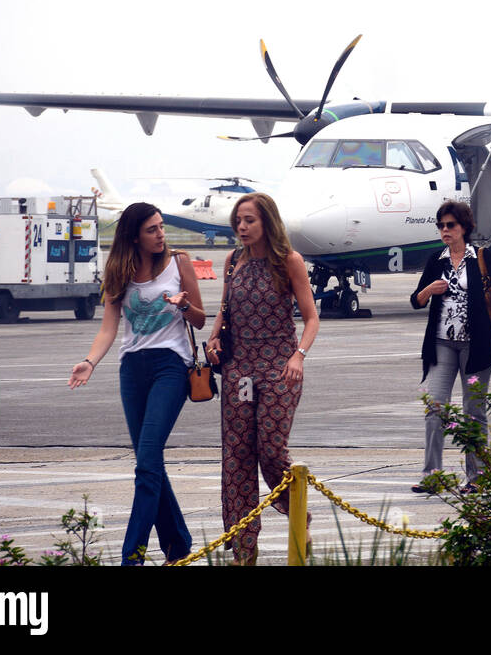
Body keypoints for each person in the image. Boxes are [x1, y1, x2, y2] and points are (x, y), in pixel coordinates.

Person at [69, 203, 205, 565]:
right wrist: (89, 362)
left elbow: (202, 319)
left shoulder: (180, 263)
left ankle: (133, 556)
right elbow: (109, 327)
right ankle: (177, 544)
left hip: (171, 366)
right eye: (152, 229)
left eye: (161, 227)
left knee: (145, 464)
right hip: (132, 369)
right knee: (150, 461)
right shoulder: (118, 271)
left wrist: (183, 306)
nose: (161, 234)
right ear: (134, 236)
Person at [205, 193, 318, 564]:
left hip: (278, 368)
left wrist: (299, 356)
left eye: (249, 220)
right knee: (237, 458)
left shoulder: (289, 261)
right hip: (240, 369)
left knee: (271, 450)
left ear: (267, 222)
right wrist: (214, 336)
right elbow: (224, 311)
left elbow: (311, 318)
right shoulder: (232, 260)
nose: (241, 227)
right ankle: (243, 549)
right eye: (238, 220)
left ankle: (299, 515)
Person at [409, 200, 491, 493]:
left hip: (477, 346)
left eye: (450, 225)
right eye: (441, 226)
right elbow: (416, 300)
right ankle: (433, 475)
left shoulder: (481, 258)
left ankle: (476, 477)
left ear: (464, 227)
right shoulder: (436, 260)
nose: (444, 230)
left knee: (473, 412)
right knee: (435, 407)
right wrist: (428, 290)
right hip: (442, 343)